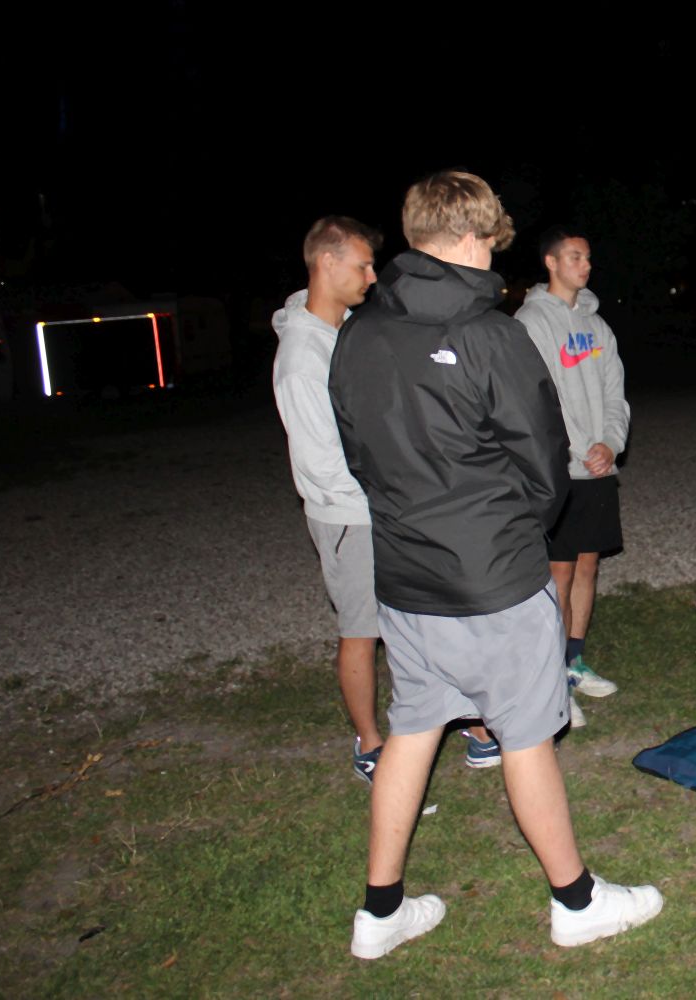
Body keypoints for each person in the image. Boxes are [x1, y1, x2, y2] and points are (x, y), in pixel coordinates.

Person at [329, 170, 661, 959]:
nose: (493, 259)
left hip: (405, 577)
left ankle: (380, 913)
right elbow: (545, 462)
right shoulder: (491, 335)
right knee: (526, 735)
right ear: (472, 236)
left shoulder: (359, 335)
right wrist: (514, 535)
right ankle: (576, 901)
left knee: (415, 728)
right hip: (492, 580)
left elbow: (357, 453)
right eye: (490, 243)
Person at [272, 216, 389, 781]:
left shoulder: (347, 333)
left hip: (383, 505)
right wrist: (385, 500)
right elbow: (323, 464)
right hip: (350, 515)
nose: (371, 276)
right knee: (361, 631)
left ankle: (452, 719)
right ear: (327, 262)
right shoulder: (302, 356)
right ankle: (369, 743)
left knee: (410, 618)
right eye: (362, 265)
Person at [515, 226, 629, 712]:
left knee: (587, 564)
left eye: (588, 257)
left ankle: (575, 661)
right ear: (552, 262)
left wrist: (610, 443)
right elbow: (536, 400)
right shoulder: (531, 321)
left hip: (597, 468)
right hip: (558, 470)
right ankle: (552, 675)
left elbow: (614, 393)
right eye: (576, 257)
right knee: (557, 572)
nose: (586, 265)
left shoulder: (598, 327)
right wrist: (577, 449)